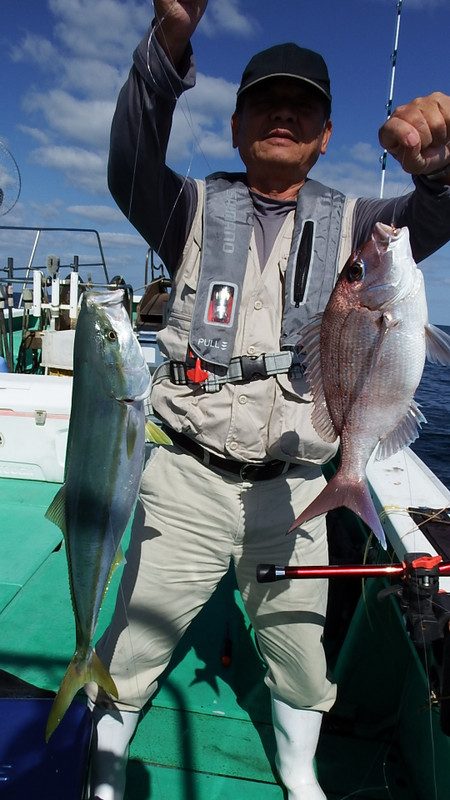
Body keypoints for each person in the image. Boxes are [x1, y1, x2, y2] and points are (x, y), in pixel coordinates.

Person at [86, 2, 450, 798]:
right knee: (133, 639)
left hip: (300, 483)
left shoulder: (363, 225)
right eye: (263, 101)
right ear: (234, 124)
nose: (283, 114)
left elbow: (434, 213)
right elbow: (128, 161)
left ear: (324, 135)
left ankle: (296, 772)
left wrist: (440, 166)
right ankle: (106, 763)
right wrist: (167, 44)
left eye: (305, 107)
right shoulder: (186, 208)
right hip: (184, 480)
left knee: (297, 644)